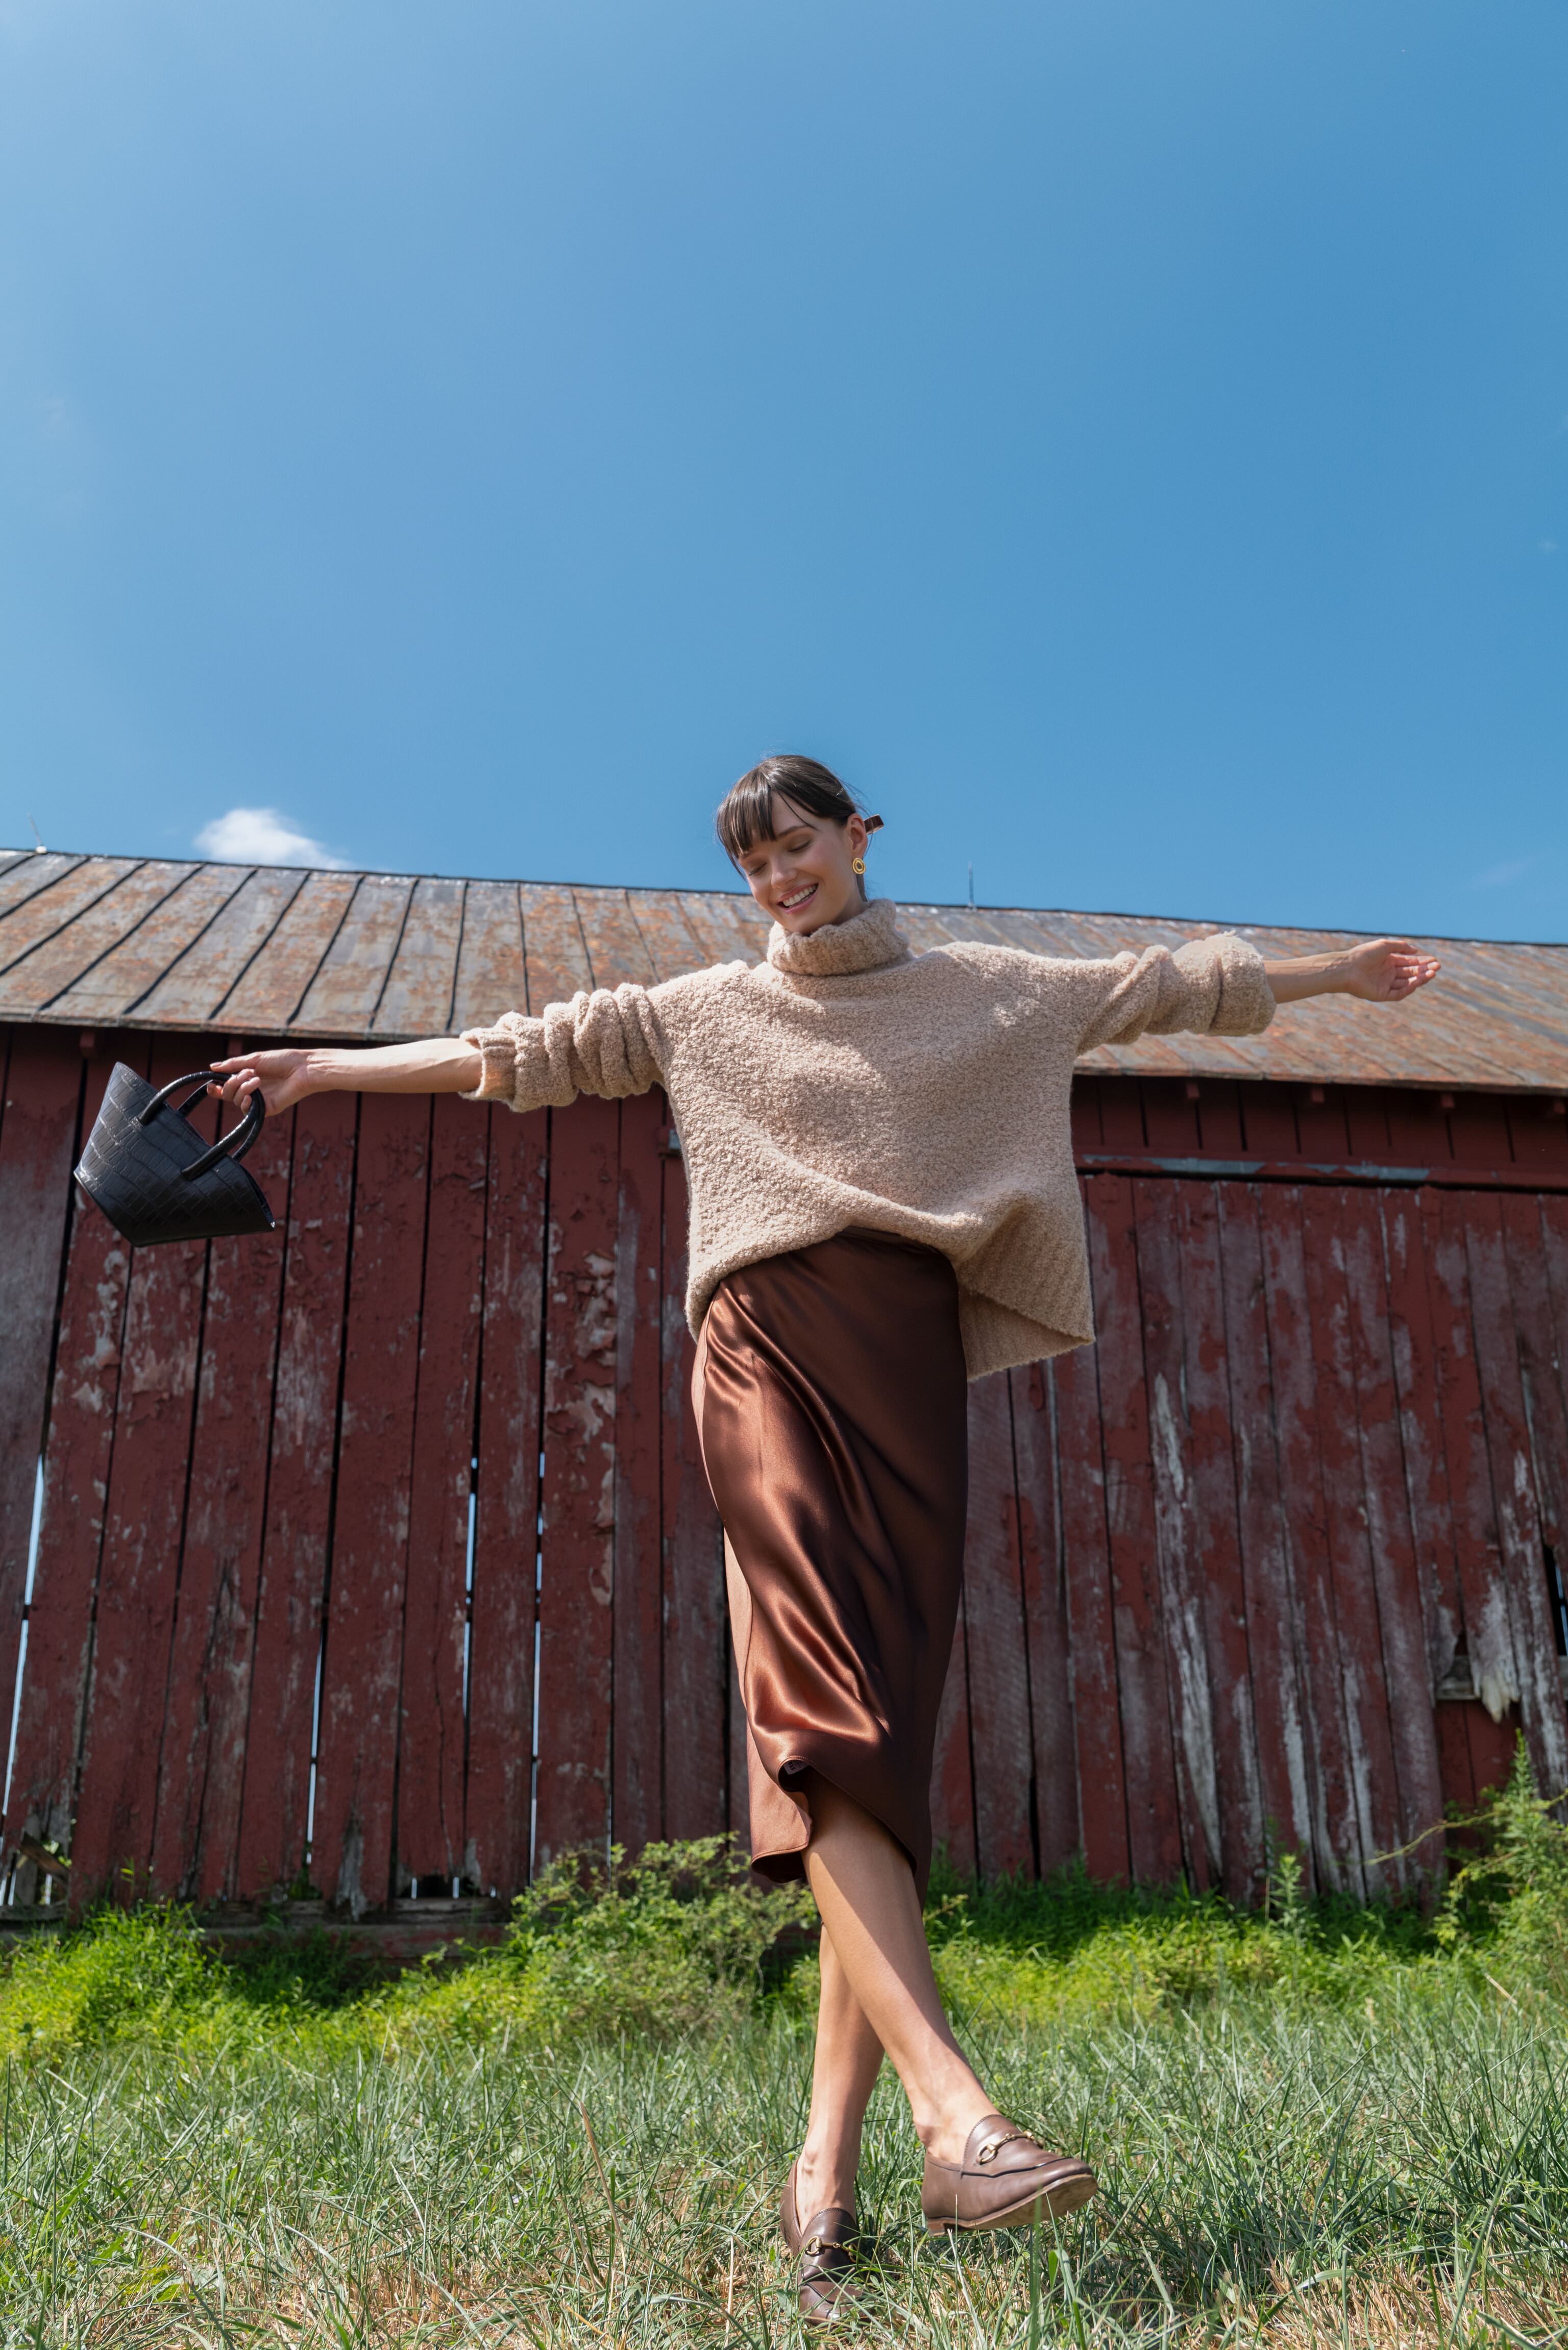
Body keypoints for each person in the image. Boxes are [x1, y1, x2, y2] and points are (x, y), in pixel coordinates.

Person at [210, 756, 1439, 2323]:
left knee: (877, 1761)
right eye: (753, 862)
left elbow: (1165, 984)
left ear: (859, 837)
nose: (779, 878)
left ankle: (822, 2181)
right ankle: (957, 2119)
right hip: (766, 1356)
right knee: (822, 1712)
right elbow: (520, 1052)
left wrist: (1342, 971)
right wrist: (324, 1067)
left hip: (908, 1368)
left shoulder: (986, 992)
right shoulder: (707, 1010)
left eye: (797, 845)